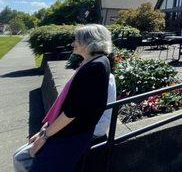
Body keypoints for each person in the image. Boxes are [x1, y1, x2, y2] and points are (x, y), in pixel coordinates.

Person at [13, 24, 112, 172]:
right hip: (68, 133)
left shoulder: (95, 67)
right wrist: (45, 129)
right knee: (20, 157)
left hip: (69, 137)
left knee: (24, 160)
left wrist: (44, 136)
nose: (72, 44)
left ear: (89, 43)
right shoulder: (95, 62)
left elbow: (72, 111)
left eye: (76, 40)